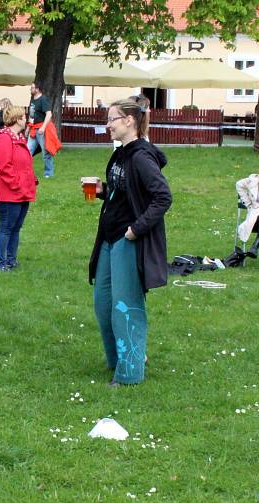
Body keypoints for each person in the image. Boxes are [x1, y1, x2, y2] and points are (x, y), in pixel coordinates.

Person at [87, 96, 172, 386]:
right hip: (109, 239)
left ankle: (130, 372)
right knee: (103, 303)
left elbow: (162, 197)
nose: (108, 124)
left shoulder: (141, 157)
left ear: (129, 121)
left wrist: (136, 229)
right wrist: (103, 190)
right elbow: (124, 189)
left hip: (127, 241)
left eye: (112, 119)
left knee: (126, 306)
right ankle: (118, 360)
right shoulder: (121, 153)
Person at [0, 105, 36, 271]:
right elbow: (4, 167)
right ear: (17, 119)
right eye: (24, 117)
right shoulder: (4, 138)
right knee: (6, 227)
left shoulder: (18, 137)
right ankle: (1, 262)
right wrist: (17, 184)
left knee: (16, 227)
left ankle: (11, 259)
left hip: (22, 191)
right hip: (10, 192)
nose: (27, 120)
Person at [26, 81, 61, 178]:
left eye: (32, 88)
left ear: (37, 89)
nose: (31, 89)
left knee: (46, 152)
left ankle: (48, 174)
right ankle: (26, 172)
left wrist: (43, 127)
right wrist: (28, 128)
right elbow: (32, 116)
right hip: (33, 130)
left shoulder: (43, 99)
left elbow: (49, 114)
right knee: (27, 151)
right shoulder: (33, 100)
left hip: (42, 130)